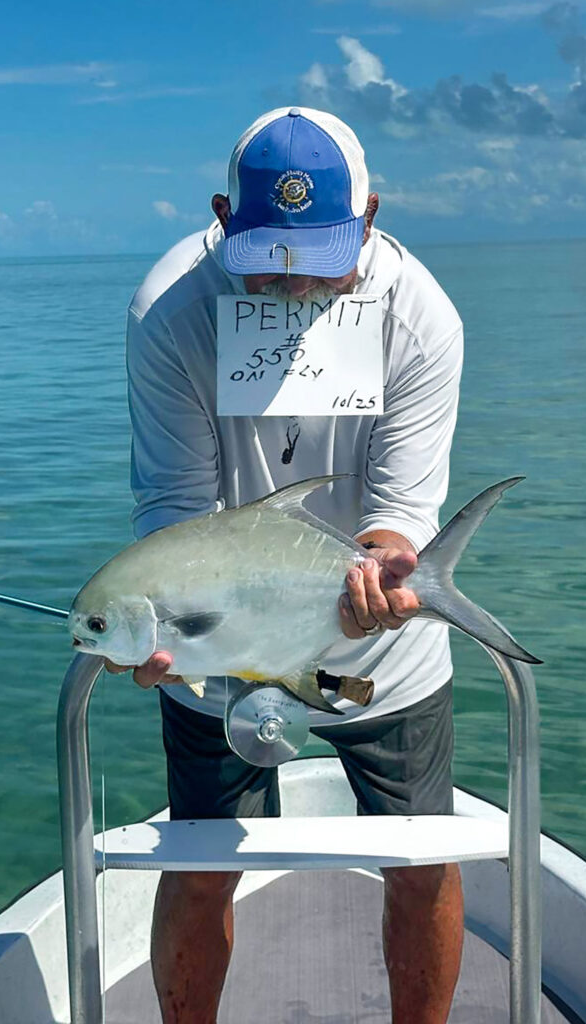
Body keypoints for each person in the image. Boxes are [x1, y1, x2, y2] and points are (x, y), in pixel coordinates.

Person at [113, 106, 465, 1024]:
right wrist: (162, 623)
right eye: (270, 260)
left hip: (383, 653)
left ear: (371, 216)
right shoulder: (170, 311)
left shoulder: (421, 317)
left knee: (421, 864)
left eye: (322, 259)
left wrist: (385, 574)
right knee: (199, 869)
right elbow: (175, 508)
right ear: (222, 218)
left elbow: (400, 514)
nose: (298, 285)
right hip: (220, 646)